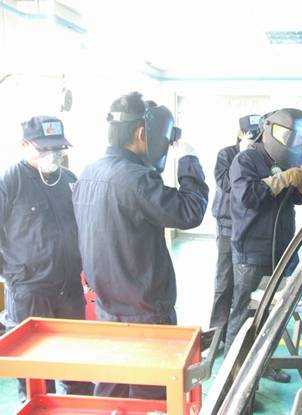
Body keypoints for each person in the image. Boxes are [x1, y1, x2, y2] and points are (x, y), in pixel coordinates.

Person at [72, 92, 209, 399]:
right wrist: (189, 161)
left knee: (112, 389)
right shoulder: (136, 179)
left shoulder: (89, 173)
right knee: (152, 395)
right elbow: (190, 212)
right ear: (140, 134)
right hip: (145, 313)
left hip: (106, 307)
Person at [0, 116, 92, 401]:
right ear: (24, 145)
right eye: (44, 149)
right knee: (35, 376)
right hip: (30, 292)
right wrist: (13, 275)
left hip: (69, 288)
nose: (52, 155)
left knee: (76, 366)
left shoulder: (69, 180)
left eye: (57, 149)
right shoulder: (10, 182)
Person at [226, 108, 302, 382]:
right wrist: (283, 178)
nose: (293, 143)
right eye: (289, 136)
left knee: (270, 315)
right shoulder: (246, 160)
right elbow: (248, 197)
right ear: (270, 129)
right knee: (244, 314)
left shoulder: (293, 158)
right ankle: (233, 376)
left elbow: (293, 200)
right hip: (252, 251)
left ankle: (263, 364)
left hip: (282, 250)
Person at [209, 114, 260, 347]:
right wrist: (241, 155)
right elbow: (226, 184)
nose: (254, 137)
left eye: (257, 133)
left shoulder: (260, 157)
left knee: (245, 286)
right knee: (224, 281)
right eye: (250, 133)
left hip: (249, 227)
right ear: (240, 133)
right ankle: (217, 335)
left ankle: (240, 335)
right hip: (228, 225)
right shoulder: (226, 154)